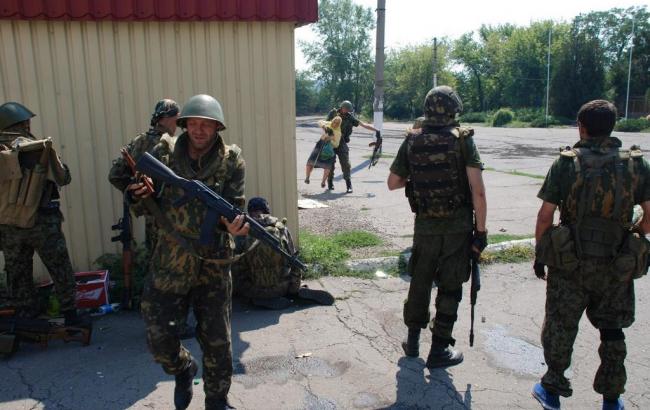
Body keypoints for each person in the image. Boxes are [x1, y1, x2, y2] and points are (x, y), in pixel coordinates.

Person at [129, 94, 247, 410]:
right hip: (171, 259)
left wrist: (233, 224)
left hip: (214, 262)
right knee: (158, 338)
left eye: (206, 124)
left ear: (217, 127)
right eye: (193, 123)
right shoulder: (163, 154)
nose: (198, 130)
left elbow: (235, 205)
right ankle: (183, 368)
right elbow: (142, 200)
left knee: (217, 340)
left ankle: (217, 400)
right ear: (184, 125)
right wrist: (137, 193)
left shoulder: (232, 161)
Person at [532, 100, 650, 410]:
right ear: (612, 126)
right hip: (616, 263)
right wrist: (631, 233)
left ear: (581, 128)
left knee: (560, 324)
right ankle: (611, 398)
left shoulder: (566, 164)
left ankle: (552, 389)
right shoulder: (636, 165)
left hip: (570, 262)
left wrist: (542, 254)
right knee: (612, 329)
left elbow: (545, 216)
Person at [386, 86, 487, 369]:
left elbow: (393, 183)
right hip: (457, 229)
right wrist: (481, 232)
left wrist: (420, 179)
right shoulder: (462, 140)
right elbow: (478, 191)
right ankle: (439, 349)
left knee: (420, 282)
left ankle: (413, 342)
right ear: (454, 109)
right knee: (450, 285)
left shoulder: (412, 140)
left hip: (425, 227)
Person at [0, 102, 86, 326]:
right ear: (24, 123)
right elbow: (63, 177)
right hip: (42, 221)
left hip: (8, 224)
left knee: (17, 270)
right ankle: (71, 316)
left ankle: (25, 318)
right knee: (58, 265)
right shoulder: (36, 147)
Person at [232, 197, 335, 309]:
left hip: (254, 290)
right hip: (282, 287)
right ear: (267, 210)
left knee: (238, 271)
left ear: (249, 211)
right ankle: (299, 290)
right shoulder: (281, 228)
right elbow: (293, 258)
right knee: (290, 265)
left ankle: (258, 299)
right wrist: (295, 283)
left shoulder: (243, 231)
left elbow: (236, 265)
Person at [109, 98, 180, 254]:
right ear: (166, 118)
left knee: (153, 258)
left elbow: (115, 175)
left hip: (150, 214)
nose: (178, 124)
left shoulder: (138, 141)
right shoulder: (171, 146)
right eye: (176, 119)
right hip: (172, 216)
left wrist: (137, 193)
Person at [326, 100, 381, 193]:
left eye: (349, 110)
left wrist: (376, 130)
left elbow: (363, 124)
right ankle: (330, 182)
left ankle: (349, 185)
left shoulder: (349, 117)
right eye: (346, 109)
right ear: (342, 107)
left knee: (346, 164)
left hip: (342, 142)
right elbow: (325, 124)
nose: (347, 111)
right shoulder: (333, 113)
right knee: (330, 164)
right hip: (331, 141)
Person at [304, 116, 341, 188]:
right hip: (319, 146)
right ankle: (307, 178)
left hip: (328, 150)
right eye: (334, 122)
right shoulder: (328, 124)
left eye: (337, 123)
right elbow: (319, 121)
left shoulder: (338, 132)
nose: (334, 124)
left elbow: (336, 145)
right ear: (332, 121)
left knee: (327, 167)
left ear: (339, 124)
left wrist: (330, 139)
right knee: (310, 162)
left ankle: (323, 182)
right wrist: (324, 126)